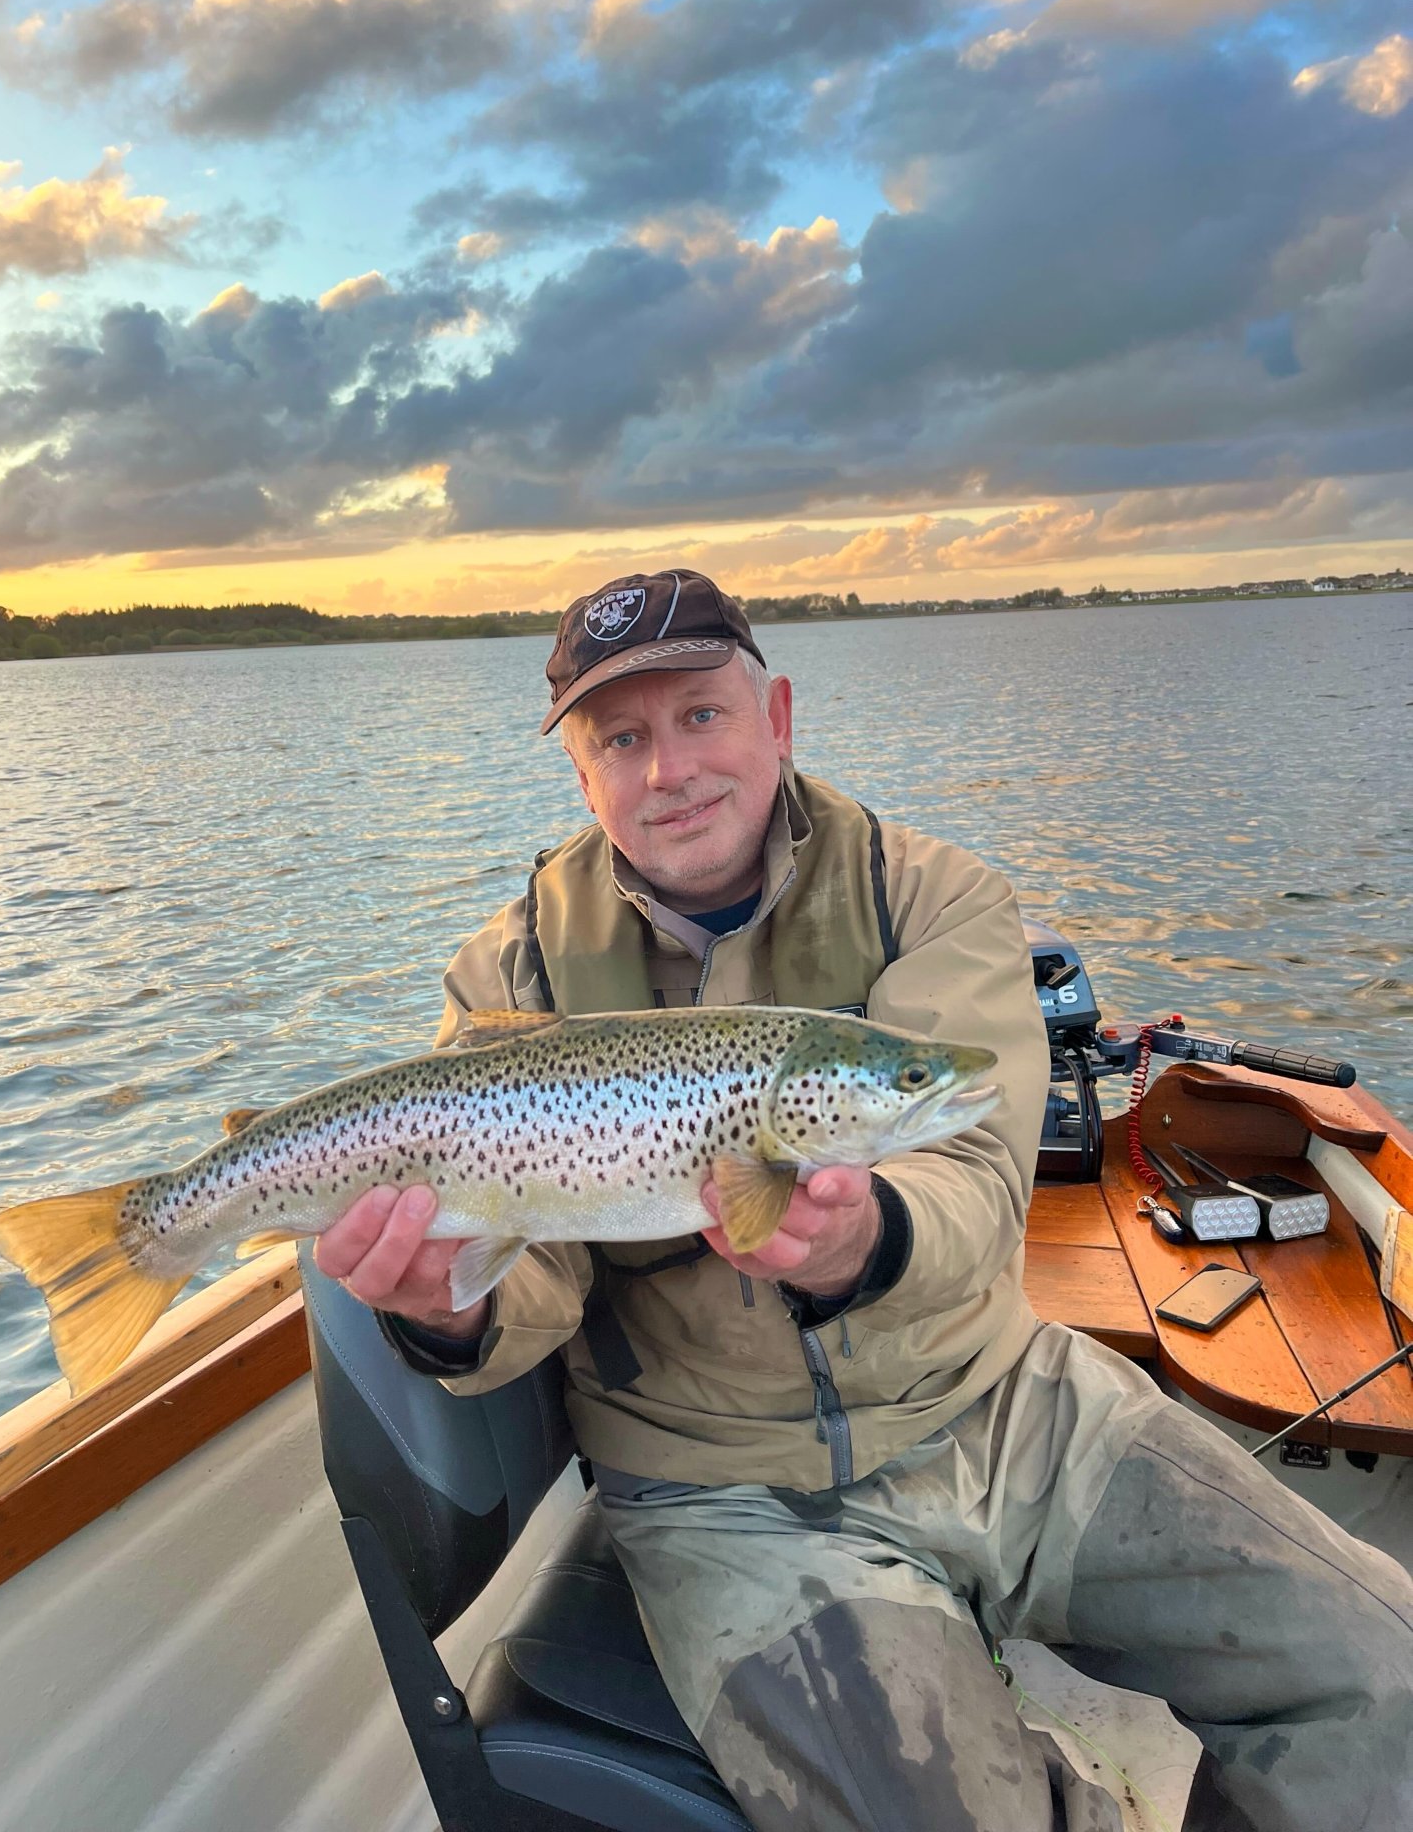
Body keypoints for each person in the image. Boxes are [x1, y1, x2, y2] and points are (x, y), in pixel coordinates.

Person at [315, 569, 1413, 1832]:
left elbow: (976, 1164)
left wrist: (866, 1236)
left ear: (777, 714)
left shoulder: (933, 895)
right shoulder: (508, 970)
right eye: (623, 736)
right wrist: (441, 1310)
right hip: (723, 1489)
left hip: (1001, 1400)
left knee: (1382, 1675)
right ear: (582, 774)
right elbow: (536, 1280)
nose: (668, 768)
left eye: (702, 716)